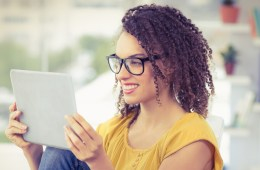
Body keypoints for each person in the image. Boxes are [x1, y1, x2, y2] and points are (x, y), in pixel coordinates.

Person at [5, 4, 223, 170]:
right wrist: (32, 152)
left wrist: (98, 161)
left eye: (135, 62)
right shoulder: (113, 129)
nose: (121, 74)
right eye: (119, 62)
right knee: (60, 150)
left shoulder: (193, 139)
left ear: (171, 64)